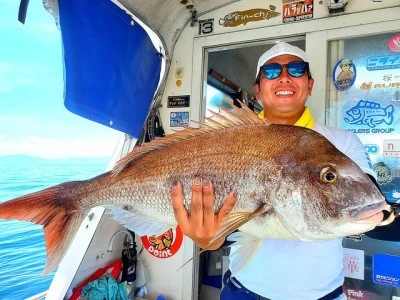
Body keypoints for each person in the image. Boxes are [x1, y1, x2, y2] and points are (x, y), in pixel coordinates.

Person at [170, 42, 378, 300]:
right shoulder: (229, 140)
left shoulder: (343, 142)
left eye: (296, 69)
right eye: (271, 72)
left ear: (309, 84)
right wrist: (212, 240)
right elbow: (225, 226)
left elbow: (369, 197)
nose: (284, 77)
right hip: (242, 292)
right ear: (257, 90)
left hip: (323, 295)